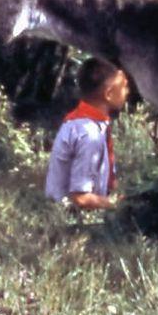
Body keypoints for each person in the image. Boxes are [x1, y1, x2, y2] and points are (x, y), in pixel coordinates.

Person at [44, 58, 129, 211]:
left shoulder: (83, 123)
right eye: (124, 86)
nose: (127, 92)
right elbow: (80, 198)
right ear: (109, 94)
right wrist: (118, 205)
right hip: (70, 221)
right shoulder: (89, 134)